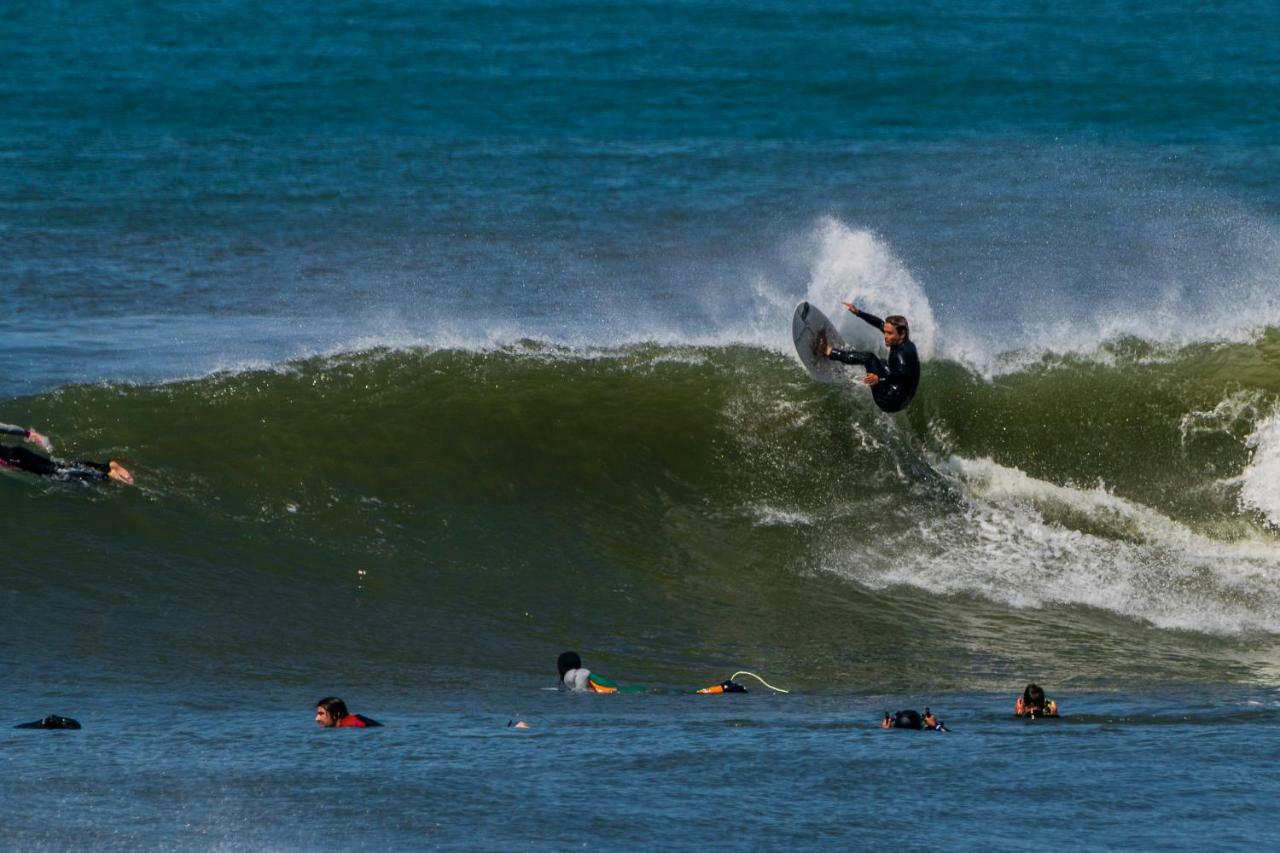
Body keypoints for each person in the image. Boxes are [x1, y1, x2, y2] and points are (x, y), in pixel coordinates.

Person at [820, 302, 920, 413]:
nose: (885, 336)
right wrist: (858, 312)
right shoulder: (902, 339)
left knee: (869, 358)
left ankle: (828, 351)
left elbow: (902, 375)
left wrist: (879, 379)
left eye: (889, 333)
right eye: (885, 332)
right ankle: (857, 376)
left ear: (902, 334)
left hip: (889, 401)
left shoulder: (901, 355)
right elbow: (879, 323)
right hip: (903, 398)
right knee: (881, 362)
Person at [0, 422, 133, 484]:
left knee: (60, 475)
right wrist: (30, 434)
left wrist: (7, 468)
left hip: (18, 461)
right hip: (18, 452)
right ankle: (106, 466)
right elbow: (9, 428)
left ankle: (108, 474)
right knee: (62, 467)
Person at [557, 650, 643, 694]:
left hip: (626, 692)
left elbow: (583, 676)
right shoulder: (577, 676)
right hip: (632, 689)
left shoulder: (574, 674)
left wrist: (577, 691)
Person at [314, 696, 382, 728]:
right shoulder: (346, 720)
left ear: (337, 714)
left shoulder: (349, 724)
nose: (317, 719)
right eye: (317, 714)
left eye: (321, 714)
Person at [881, 708, 949, 732]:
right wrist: (934, 725)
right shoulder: (925, 729)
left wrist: (886, 726)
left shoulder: (892, 728)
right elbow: (945, 732)